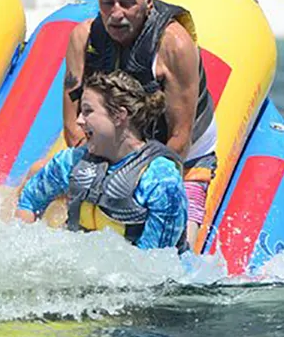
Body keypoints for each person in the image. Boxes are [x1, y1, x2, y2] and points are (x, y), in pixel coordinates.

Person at [62, 0, 218, 246]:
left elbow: (180, 140)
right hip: (114, 140)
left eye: (127, 3)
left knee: (179, 243)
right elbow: (72, 128)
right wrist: (94, 173)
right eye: (107, 3)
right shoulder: (82, 39)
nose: (116, 13)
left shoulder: (174, 45)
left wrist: (129, 180)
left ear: (148, 0)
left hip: (184, 155)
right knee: (44, 184)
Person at [16, 71, 187, 250]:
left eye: (88, 111)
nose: (79, 121)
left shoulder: (160, 180)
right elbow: (29, 201)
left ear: (118, 116)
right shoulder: (70, 162)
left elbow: (155, 263)